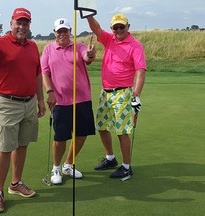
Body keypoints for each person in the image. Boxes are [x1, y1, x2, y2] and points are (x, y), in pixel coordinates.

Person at [0, 8, 46, 213]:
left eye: (26, 23)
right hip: (6, 103)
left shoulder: (32, 46)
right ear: (11, 23)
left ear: (30, 26)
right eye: (18, 22)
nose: (22, 26)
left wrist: (40, 100)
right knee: (5, 148)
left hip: (29, 103)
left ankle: (16, 183)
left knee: (22, 145)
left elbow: (37, 74)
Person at [86, 14, 146, 181]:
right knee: (102, 126)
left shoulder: (135, 45)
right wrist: (88, 14)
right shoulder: (109, 39)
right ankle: (110, 158)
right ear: (112, 28)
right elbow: (95, 28)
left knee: (122, 131)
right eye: (115, 27)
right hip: (106, 92)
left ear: (128, 27)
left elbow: (140, 72)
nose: (118, 30)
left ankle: (126, 167)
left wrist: (136, 95)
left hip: (123, 92)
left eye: (122, 27)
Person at [41, 18, 96, 185]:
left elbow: (86, 57)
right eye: (59, 31)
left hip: (82, 99)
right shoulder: (48, 49)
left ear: (70, 31)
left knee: (81, 135)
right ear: (55, 32)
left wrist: (90, 54)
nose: (62, 34)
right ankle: (56, 167)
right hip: (60, 101)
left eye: (65, 30)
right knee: (60, 138)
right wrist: (50, 91)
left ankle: (68, 164)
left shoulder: (78, 47)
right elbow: (44, 73)